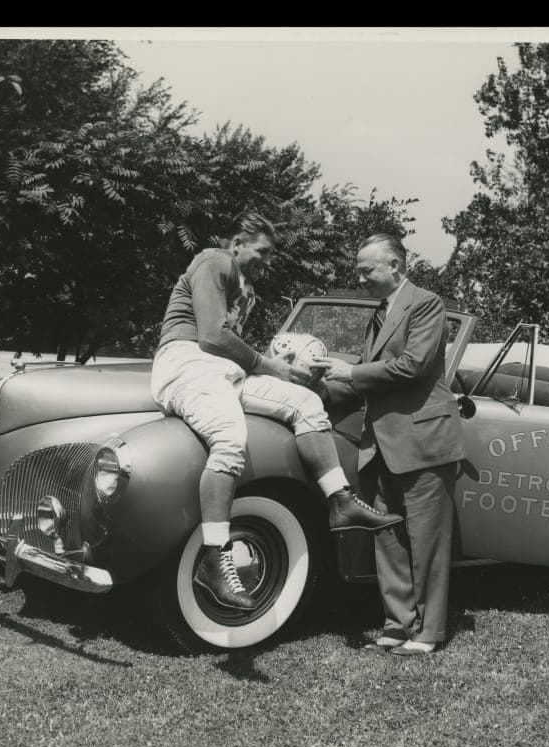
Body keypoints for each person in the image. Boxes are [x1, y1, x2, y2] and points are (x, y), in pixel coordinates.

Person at [150, 213, 402, 611]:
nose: (266, 262)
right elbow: (213, 336)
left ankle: (341, 501)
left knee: (306, 403)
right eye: (262, 252)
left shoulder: (244, 287)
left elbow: (234, 351)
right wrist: (275, 368)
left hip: (223, 371)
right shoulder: (215, 260)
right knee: (231, 440)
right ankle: (215, 559)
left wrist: (294, 375)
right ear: (237, 242)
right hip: (187, 362)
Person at [312, 233, 465, 656]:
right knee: (389, 537)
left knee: (427, 541)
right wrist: (316, 391)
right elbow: (367, 375)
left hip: (422, 440)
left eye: (367, 270)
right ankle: (397, 625)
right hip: (380, 444)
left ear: (395, 265)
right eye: (359, 270)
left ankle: (428, 632)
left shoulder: (426, 303)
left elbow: (412, 367)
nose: (360, 278)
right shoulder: (380, 313)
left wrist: (349, 372)